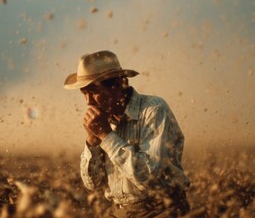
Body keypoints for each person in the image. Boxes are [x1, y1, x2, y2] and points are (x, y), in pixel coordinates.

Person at [64, 50, 190, 218]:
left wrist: (107, 136)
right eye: (84, 93)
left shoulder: (153, 110)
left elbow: (150, 177)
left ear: (117, 84)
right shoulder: (103, 119)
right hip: (120, 212)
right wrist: (92, 141)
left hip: (161, 210)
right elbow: (93, 183)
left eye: (94, 91)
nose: (88, 101)